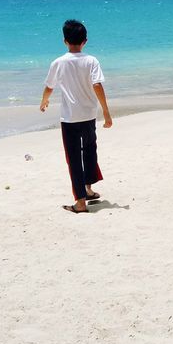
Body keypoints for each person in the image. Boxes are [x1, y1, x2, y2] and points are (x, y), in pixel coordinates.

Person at [40, 19, 112, 214]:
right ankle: (88, 190)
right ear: (85, 41)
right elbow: (97, 85)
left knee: (73, 158)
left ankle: (80, 202)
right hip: (88, 115)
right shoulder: (91, 61)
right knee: (89, 152)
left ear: (64, 41)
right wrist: (106, 111)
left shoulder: (58, 62)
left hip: (70, 118)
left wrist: (44, 101)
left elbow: (49, 86)